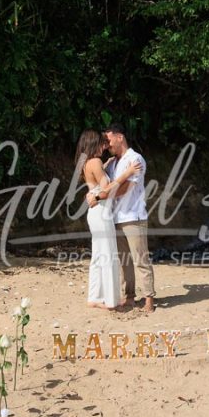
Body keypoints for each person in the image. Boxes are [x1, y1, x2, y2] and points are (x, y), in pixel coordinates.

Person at [87, 123, 156, 313]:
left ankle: (149, 298)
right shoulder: (112, 163)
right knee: (124, 261)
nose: (107, 145)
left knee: (140, 258)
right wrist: (92, 192)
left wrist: (99, 196)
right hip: (114, 217)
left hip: (133, 216)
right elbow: (104, 185)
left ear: (120, 137)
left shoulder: (135, 159)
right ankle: (130, 296)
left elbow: (125, 188)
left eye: (108, 140)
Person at [75, 129, 141, 310]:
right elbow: (107, 190)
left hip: (95, 213)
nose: (105, 146)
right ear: (93, 144)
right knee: (108, 255)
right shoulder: (95, 161)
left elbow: (96, 187)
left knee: (98, 255)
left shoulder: (88, 163)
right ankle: (111, 301)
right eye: (101, 142)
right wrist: (127, 173)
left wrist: (106, 165)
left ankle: (94, 297)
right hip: (102, 212)